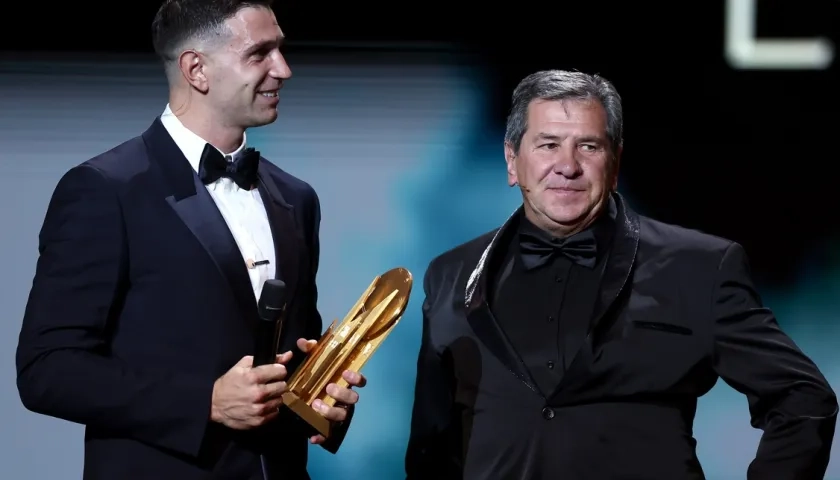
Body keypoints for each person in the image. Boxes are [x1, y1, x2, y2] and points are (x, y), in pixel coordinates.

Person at [405, 69, 837, 479]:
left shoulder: (698, 267)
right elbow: (431, 448)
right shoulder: (451, 273)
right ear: (512, 160)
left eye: (588, 146)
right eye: (548, 145)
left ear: (615, 162)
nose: (568, 165)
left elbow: (803, 400)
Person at [15, 1, 366, 478]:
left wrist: (321, 401)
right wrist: (204, 402)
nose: (283, 69)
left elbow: (288, 358)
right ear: (196, 69)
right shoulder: (105, 190)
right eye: (260, 53)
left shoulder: (296, 199)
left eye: (280, 50)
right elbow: (47, 371)